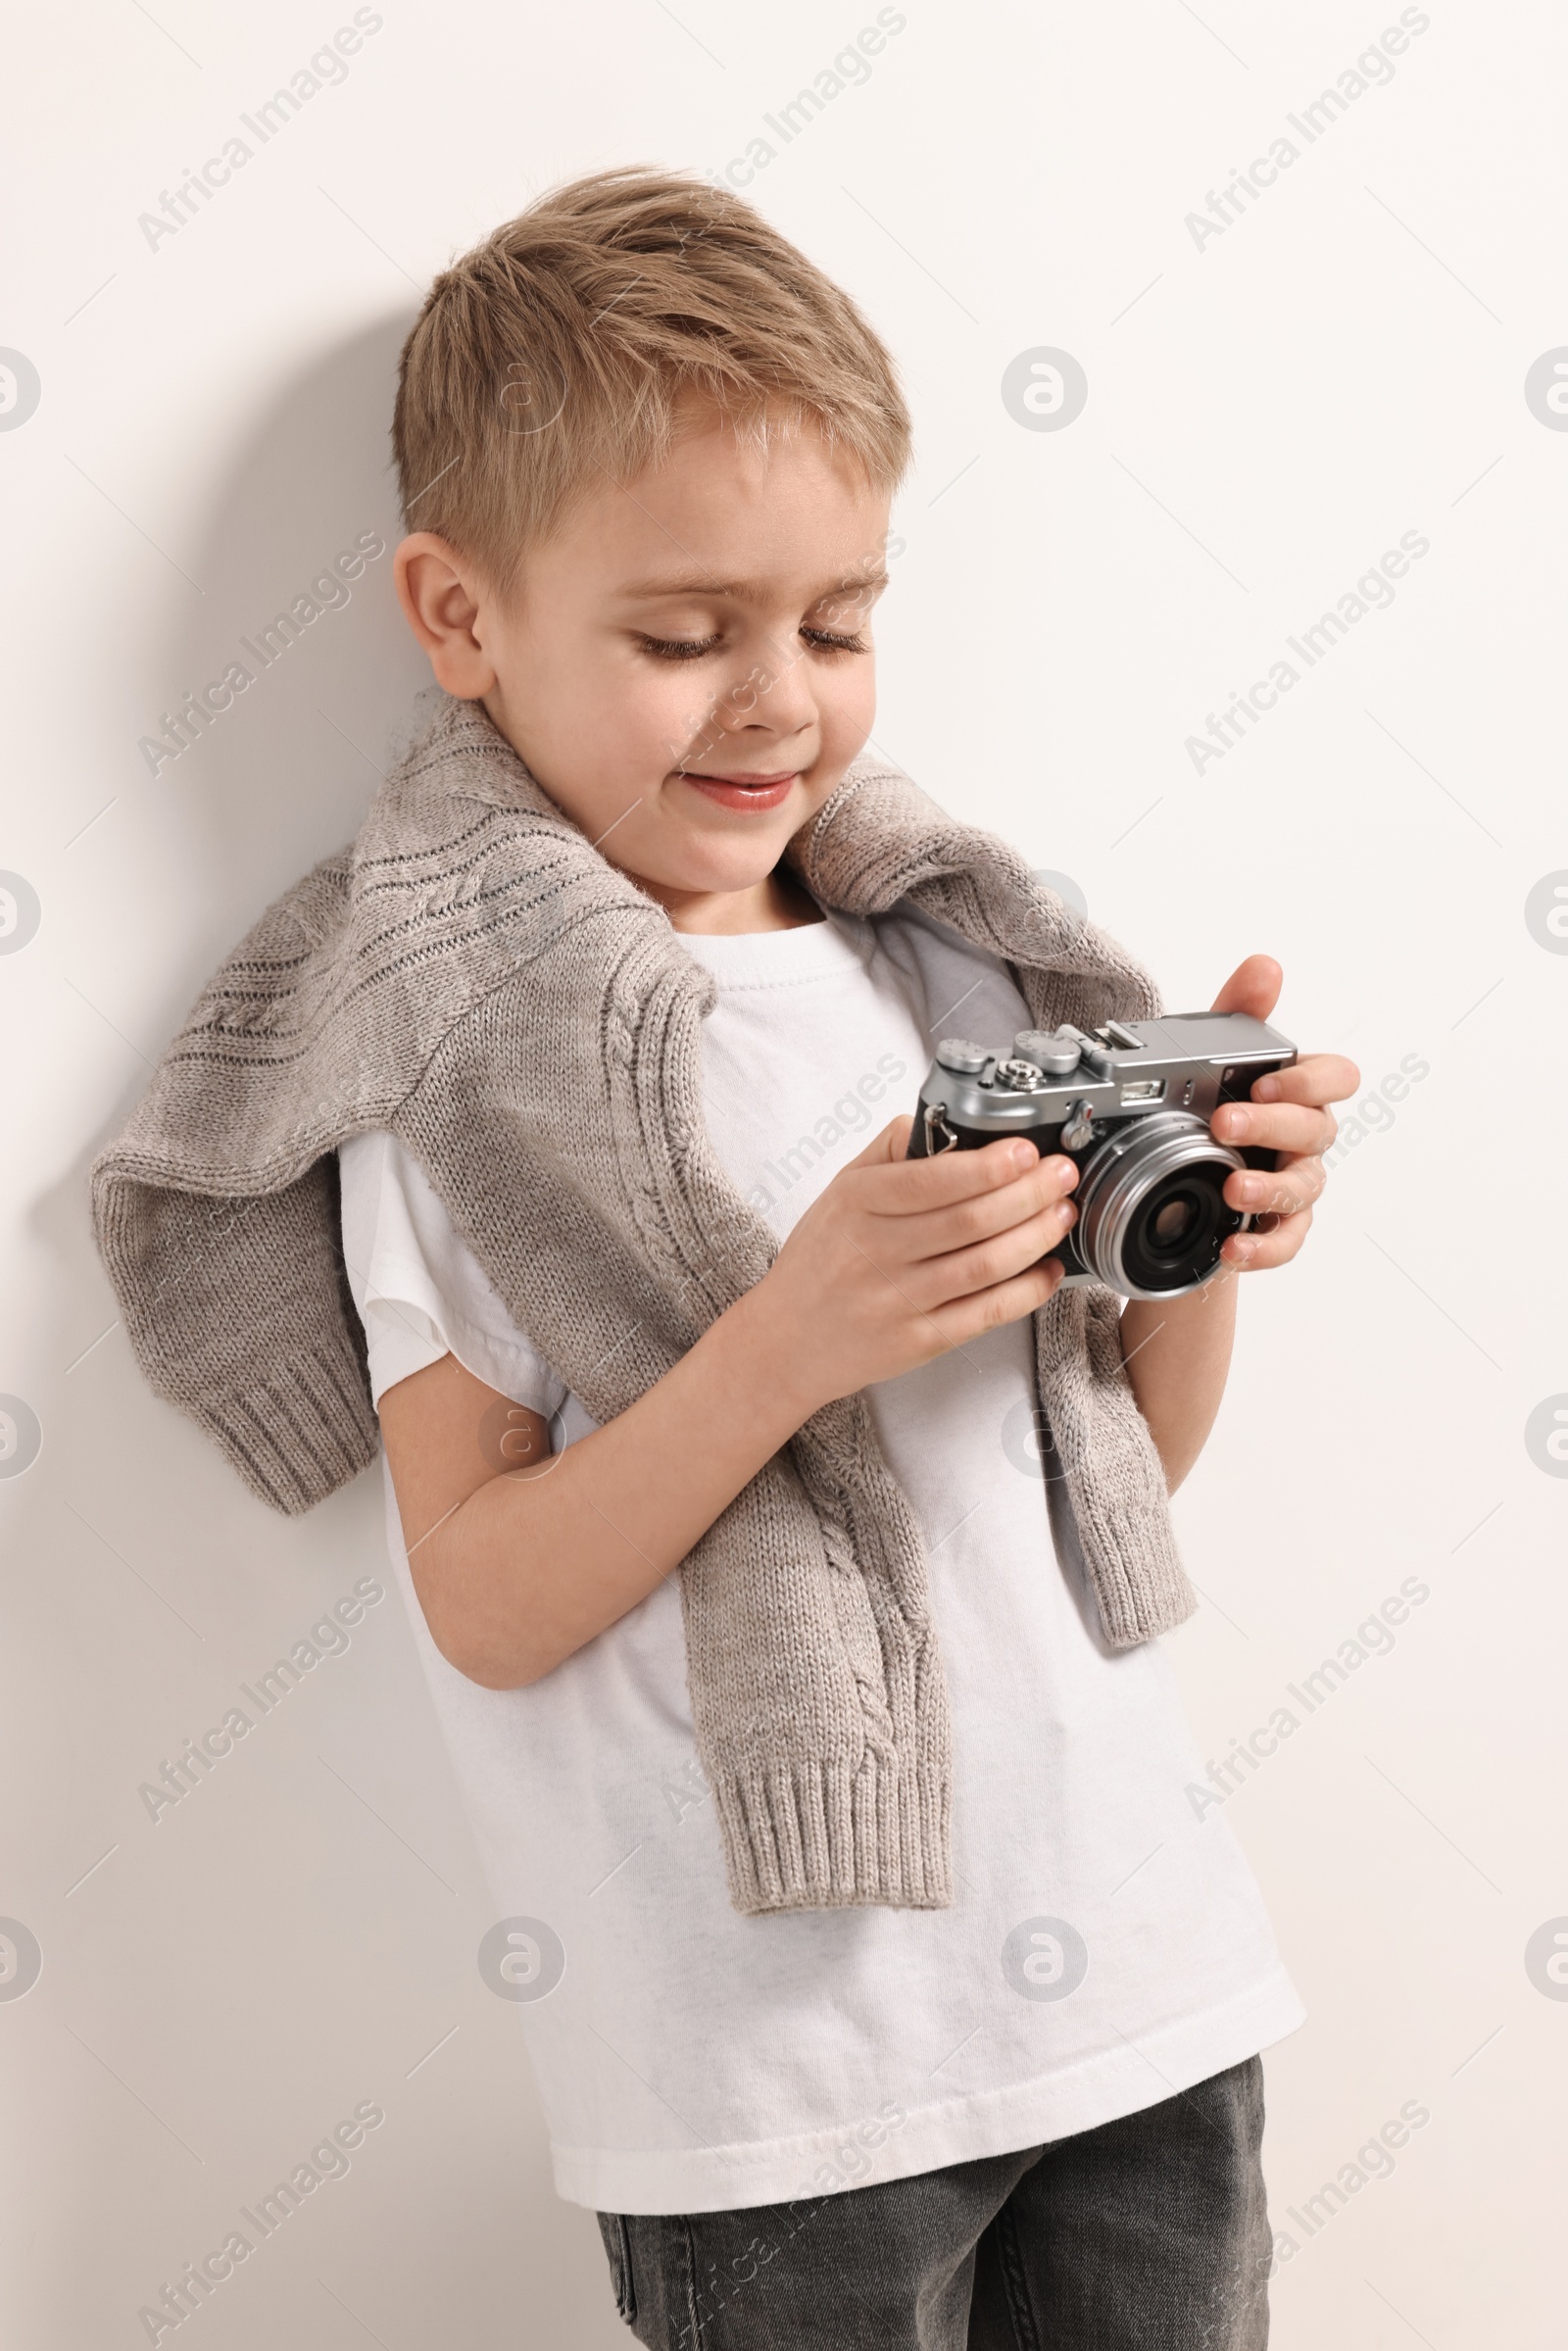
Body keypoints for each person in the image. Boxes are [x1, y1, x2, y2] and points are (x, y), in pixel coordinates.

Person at [94, 168, 1358, 2348]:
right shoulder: (471, 1061)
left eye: (838, 623)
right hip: (781, 2088)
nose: (773, 702)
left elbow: (1120, 1472)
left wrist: (1204, 1234)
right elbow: (480, 1591)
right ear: (459, 613)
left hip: (1138, 1973)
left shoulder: (957, 976)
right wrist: (780, 1345)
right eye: (682, 636)